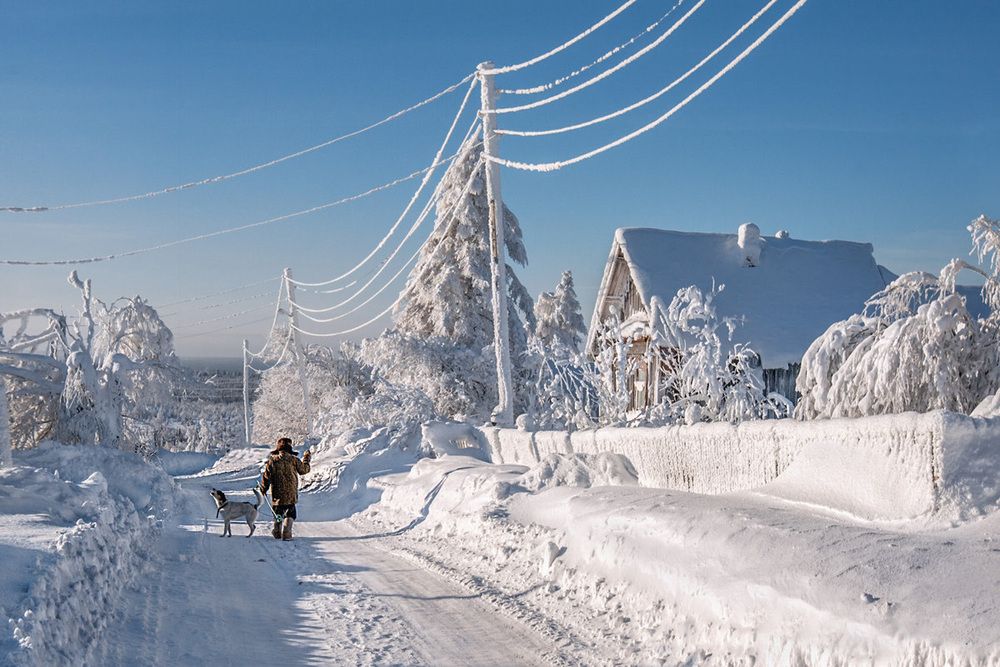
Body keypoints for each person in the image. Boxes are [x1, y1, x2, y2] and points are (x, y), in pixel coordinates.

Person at [260, 437, 311, 541]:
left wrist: (263, 489)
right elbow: (304, 470)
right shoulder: (294, 460)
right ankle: (287, 532)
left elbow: (266, 477)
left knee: (278, 512)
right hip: (291, 493)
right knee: (290, 513)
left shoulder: (272, 461)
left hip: (277, 493)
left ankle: (277, 531)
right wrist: (306, 459)